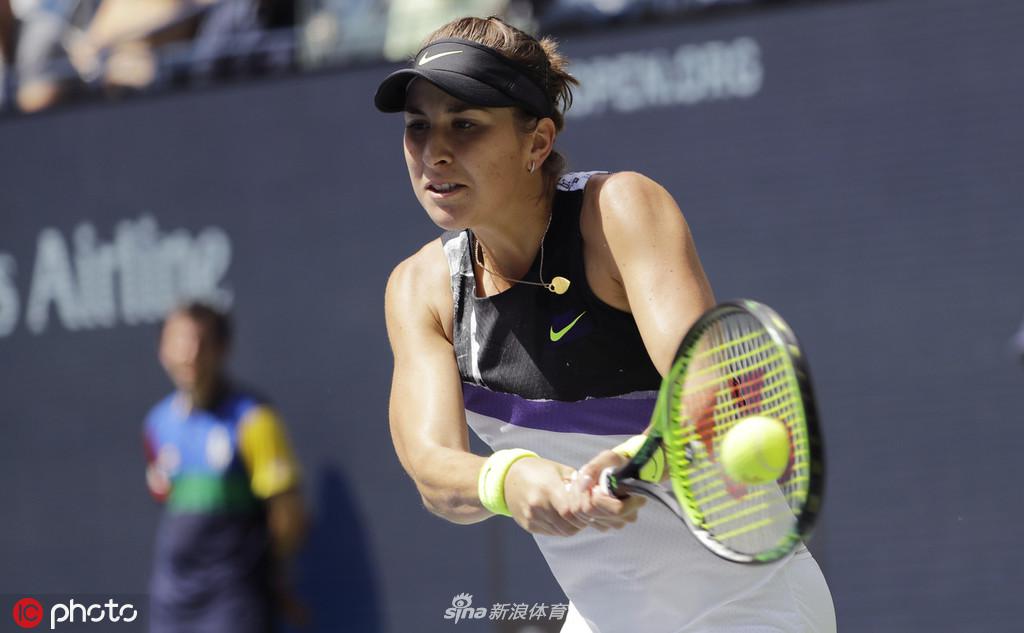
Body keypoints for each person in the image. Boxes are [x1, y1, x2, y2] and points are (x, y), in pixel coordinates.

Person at [377, 16, 836, 633]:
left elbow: (704, 388)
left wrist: (640, 456)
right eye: (418, 126)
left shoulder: (619, 210)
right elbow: (434, 472)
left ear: (538, 142)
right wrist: (509, 478)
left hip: (754, 608)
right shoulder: (420, 290)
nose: (434, 151)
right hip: (603, 618)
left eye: (465, 124)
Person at [143, 302, 307, 633]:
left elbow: (287, 514)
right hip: (171, 601)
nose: (188, 353)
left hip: (232, 601)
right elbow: (168, 494)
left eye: (200, 341)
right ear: (162, 350)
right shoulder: (156, 423)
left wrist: (270, 576)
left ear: (222, 349)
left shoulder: (255, 419)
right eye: (178, 340)